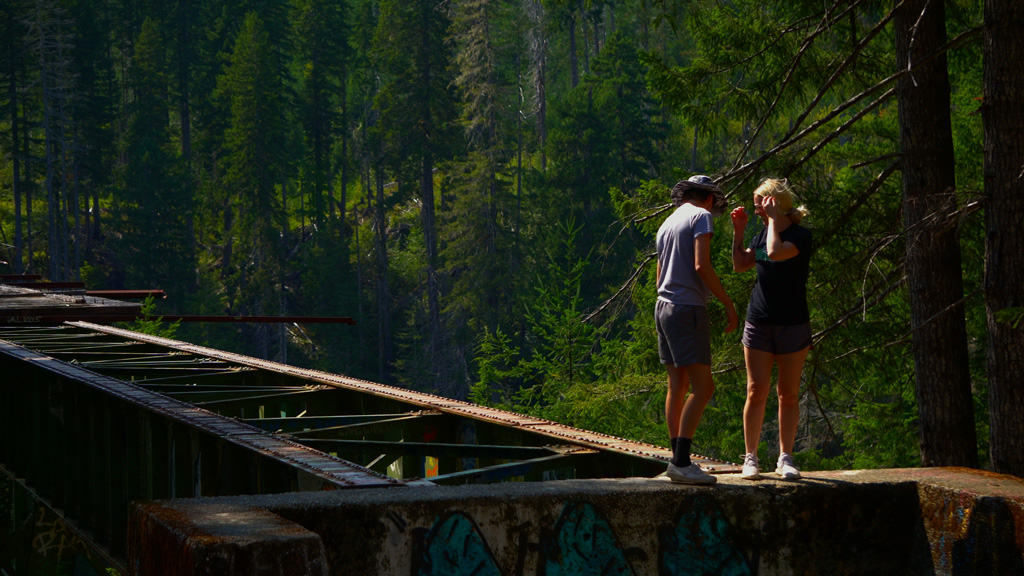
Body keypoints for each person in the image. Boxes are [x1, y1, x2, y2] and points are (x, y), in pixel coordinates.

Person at [656, 175, 738, 485]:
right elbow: (702, 266)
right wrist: (728, 303)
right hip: (687, 308)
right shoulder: (701, 217)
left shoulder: (667, 223)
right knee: (704, 388)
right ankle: (681, 462)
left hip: (662, 306)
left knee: (676, 385)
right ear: (708, 199)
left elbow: (659, 274)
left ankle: (675, 456)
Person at [730, 178, 812, 480]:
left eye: (760, 206)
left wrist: (775, 220)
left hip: (793, 323)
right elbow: (741, 265)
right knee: (756, 390)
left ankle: (785, 457)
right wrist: (739, 234)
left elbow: (776, 253)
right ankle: (750, 457)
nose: (757, 213)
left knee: (787, 393)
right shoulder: (764, 232)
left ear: (775, 203)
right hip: (759, 321)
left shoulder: (800, 236)